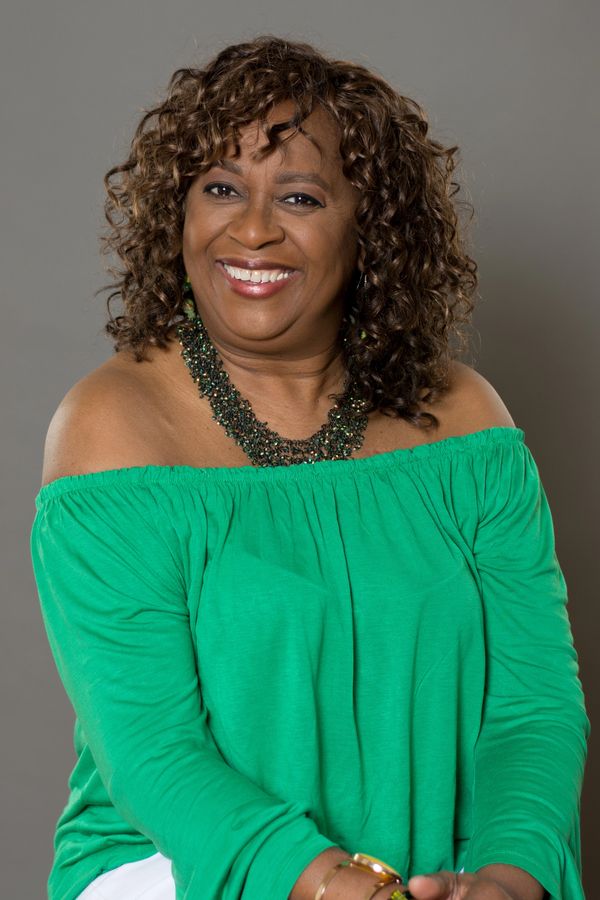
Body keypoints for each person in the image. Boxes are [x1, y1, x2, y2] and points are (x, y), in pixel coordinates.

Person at [29, 34, 590, 900]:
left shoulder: (467, 424)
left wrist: (511, 879)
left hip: (439, 878)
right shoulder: (114, 428)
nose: (251, 229)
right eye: (220, 188)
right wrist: (330, 883)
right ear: (176, 212)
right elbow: (152, 752)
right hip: (184, 869)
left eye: (298, 195)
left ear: (371, 226)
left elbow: (533, 709)